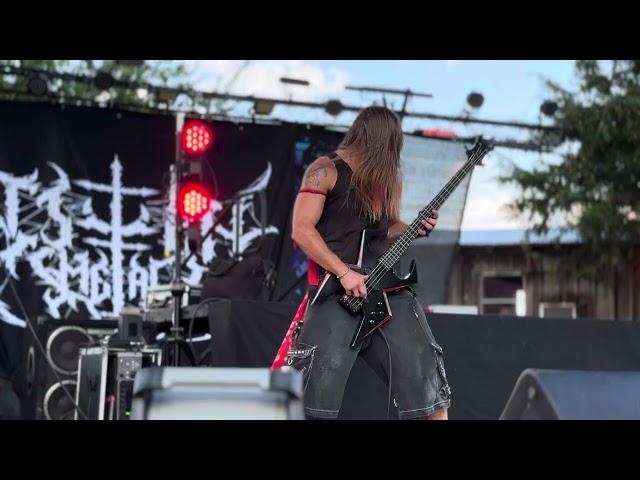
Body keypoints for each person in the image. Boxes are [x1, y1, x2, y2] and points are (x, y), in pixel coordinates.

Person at [280, 106, 451, 420]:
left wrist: (416, 225)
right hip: (337, 293)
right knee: (312, 403)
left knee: (428, 386)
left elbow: (383, 232)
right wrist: (344, 272)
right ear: (381, 141)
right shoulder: (325, 169)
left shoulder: (385, 182)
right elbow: (302, 231)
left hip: (384, 290)